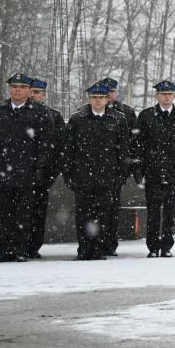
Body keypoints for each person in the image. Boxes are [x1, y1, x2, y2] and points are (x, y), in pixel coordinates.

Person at [0, 73, 54, 262]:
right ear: (9, 89)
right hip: (3, 173)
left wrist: (39, 169)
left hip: (27, 173)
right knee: (4, 214)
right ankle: (5, 250)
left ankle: (21, 250)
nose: (17, 90)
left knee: (25, 214)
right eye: (14, 86)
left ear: (29, 91)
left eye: (22, 87)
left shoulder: (39, 112)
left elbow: (46, 145)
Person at [64, 82, 132, 261]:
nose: (98, 101)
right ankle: (85, 248)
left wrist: (121, 174)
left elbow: (123, 150)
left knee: (104, 215)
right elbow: (69, 148)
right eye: (94, 97)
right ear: (89, 98)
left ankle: (100, 248)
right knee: (84, 215)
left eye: (101, 98)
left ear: (107, 99)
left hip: (107, 177)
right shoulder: (78, 119)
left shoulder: (118, 119)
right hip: (83, 176)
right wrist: (69, 173)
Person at [135, 80, 175, 258]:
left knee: (170, 212)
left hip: (174, 172)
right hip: (153, 172)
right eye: (163, 94)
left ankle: (167, 245)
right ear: (157, 95)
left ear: (174, 95)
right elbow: (138, 145)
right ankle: (153, 246)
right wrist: (138, 169)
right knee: (153, 212)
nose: (166, 97)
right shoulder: (146, 116)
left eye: (169, 94)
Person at [99, 77, 137, 256]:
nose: (109, 95)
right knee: (96, 209)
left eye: (111, 92)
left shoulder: (127, 113)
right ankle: (97, 242)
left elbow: (132, 143)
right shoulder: (92, 111)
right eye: (106, 92)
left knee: (113, 209)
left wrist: (127, 168)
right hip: (97, 169)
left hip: (116, 169)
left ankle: (110, 243)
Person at [26, 78, 63, 259]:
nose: (33, 95)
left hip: (43, 173)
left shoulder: (54, 116)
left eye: (37, 92)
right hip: (20, 172)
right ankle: (17, 244)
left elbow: (58, 147)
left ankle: (33, 245)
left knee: (38, 212)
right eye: (31, 91)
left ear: (44, 94)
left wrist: (50, 172)